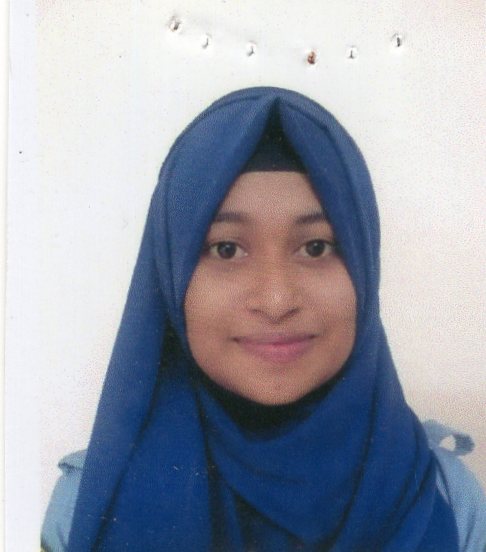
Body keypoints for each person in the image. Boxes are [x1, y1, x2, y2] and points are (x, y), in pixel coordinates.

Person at [41, 87, 486, 551]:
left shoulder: (449, 502)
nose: (276, 301)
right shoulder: (86, 508)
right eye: (226, 249)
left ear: (364, 267)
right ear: (171, 279)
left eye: (316, 247)